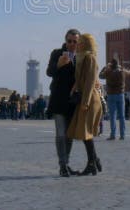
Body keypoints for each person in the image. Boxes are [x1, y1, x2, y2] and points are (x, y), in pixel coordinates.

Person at [66, 33, 103, 176]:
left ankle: (92, 163)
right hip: (84, 98)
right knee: (84, 133)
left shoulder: (90, 57)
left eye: (81, 42)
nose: (78, 44)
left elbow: (90, 81)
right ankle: (94, 161)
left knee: (85, 133)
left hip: (89, 99)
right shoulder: (81, 57)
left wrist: (86, 102)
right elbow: (81, 78)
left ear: (87, 43)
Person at [46, 29, 80, 177]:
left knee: (69, 135)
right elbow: (49, 72)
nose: (72, 44)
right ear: (65, 41)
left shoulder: (81, 57)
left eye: (75, 41)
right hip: (58, 99)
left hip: (72, 101)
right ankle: (62, 165)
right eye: (69, 41)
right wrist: (59, 64)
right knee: (60, 133)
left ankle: (66, 163)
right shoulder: (57, 53)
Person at [98, 58, 130, 140]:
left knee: (112, 116)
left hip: (111, 95)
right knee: (122, 116)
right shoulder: (122, 71)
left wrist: (105, 67)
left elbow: (100, 75)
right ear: (117, 64)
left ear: (111, 65)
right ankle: (122, 135)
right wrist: (123, 68)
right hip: (120, 95)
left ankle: (113, 135)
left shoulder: (108, 72)